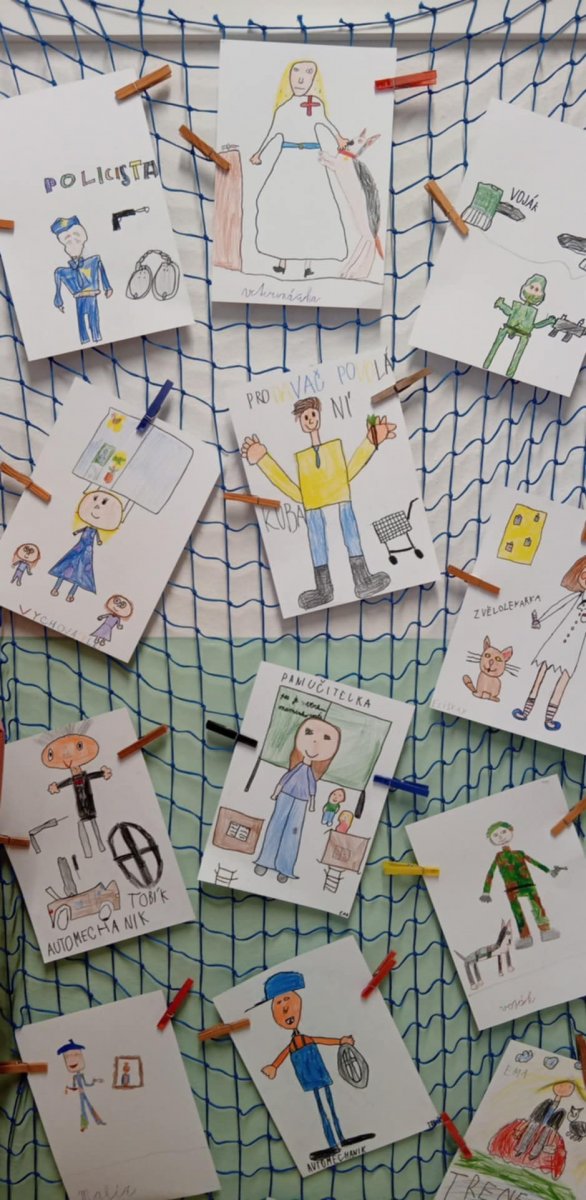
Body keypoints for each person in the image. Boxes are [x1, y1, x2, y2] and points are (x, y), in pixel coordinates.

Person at [242, 396, 395, 609]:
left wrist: (371, 442)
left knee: (350, 532)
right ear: (300, 422)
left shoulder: (332, 450)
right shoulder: (303, 459)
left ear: (319, 416)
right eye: (305, 417)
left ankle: (362, 581)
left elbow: (348, 472)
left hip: (341, 499)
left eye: (313, 414)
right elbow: (293, 491)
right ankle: (324, 590)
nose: (310, 420)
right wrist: (263, 460)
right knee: (317, 539)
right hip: (313, 505)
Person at [250, 60, 350, 278]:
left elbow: (326, 123)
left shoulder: (316, 105)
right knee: (280, 203)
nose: (301, 78)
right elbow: (272, 133)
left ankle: (308, 263)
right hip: (287, 158)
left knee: (312, 205)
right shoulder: (283, 108)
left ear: (314, 79)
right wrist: (259, 153)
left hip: (311, 161)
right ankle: (282, 260)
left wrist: (339, 138)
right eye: (296, 71)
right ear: (289, 76)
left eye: (308, 72)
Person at [260, 970, 372, 1161]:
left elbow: (321, 1040)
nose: (285, 1009)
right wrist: (274, 1066)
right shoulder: (294, 1043)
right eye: (278, 1003)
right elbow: (285, 1053)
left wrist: (341, 1041)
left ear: (298, 1004)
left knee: (330, 1104)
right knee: (321, 1107)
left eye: (287, 1000)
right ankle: (332, 1143)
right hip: (308, 1076)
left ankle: (341, 1138)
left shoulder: (305, 1038)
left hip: (319, 1072)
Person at [254, 716, 340, 883]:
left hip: (301, 801)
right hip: (285, 796)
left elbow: (312, 790)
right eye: (309, 733)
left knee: (293, 832)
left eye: (326, 738)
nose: (315, 742)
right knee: (275, 825)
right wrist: (276, 793)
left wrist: (312, 804)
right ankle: (265, 861)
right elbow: (284, 780)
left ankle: (285, 868)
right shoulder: (297, 767)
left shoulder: (311, 774)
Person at [513, 555, 586, 731]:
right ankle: (525, 712)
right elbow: (557, 607)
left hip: (573, 647)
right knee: (542, 671)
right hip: (556, 640)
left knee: (564, 679)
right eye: (584, 573)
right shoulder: (575, 598)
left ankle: (549, 720)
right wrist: (540, 620)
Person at [480, 821, 563, 949]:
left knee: (537, 907)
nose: (501, 836)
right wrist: (486, 891)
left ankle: (545, 931)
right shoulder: (499, 856)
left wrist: (549, 871)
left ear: (511, 831)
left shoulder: (519, 853)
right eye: (495, 835)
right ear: (492, 840)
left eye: (503, 832)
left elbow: (534, 862)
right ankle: (525, 936)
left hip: (528, 884)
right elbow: (491, 873)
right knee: (518, 912)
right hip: (512, 889)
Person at [42, 723, 113, 859]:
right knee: (85, 823)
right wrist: (57, 786)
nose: (74, 768)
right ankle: (89, 850)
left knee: (93, 822)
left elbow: (93, 775)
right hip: (81, 807)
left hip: (89, 804)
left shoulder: (85, 776)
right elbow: (65, 783)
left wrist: (103, 773)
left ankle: (100, 843)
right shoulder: (72, 780)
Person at [48, 489, 124, 603]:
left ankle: (70, 595)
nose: (97, 508)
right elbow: (80, 531)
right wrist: (76, 532)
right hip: (78, 548)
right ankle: (55, 588)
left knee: (80, 573)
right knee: (66, 566)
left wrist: (99, 541)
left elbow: (97, 537)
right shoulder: (87, 528)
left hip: (87, 551)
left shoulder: (95, 530)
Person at [52, 216, 112, 345]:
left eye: (76, 238)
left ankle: (96, 337)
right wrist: (58, 301)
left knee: (93, 318)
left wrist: (107, 287)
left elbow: (101, 269)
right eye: (68, 241)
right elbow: (58, 279)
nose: (73, 243)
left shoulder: (94, 261)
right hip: (79, 298)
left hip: (91, 295)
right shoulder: (62, 271)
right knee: (81, 321)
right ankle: (85, 340)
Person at [483, 273, 556, 378]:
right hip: (508, 328)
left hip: (524, 334)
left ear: (541, 295)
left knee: (518, 354)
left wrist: (548, 321)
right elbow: (509, 312)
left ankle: (510, 374)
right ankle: (486, 364)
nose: (533, 292)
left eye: (536, 290)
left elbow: (535, 325)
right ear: (525, 288)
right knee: (496, 345)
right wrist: (501, 305)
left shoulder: (532, 311)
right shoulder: (518, 306)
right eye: (531, 287)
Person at [58, 1038, 106, 1132]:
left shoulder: (82, 1076)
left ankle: (98, 1121)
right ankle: (84, 1125)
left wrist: (94, 1082)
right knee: (83, 1108)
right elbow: (74, 1087)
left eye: (76, 1055)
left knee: (89, 1106)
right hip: (81, 1094)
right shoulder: (74, 1077)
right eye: (67, 1057)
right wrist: (71, 1089)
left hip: (84, 1094)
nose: (72, 1060)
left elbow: (86, 1084)